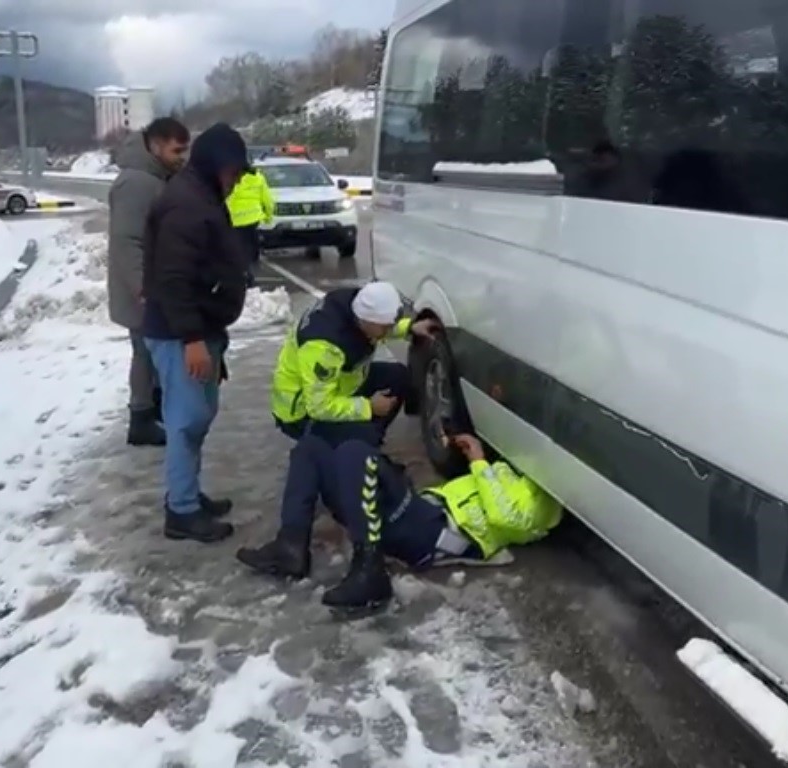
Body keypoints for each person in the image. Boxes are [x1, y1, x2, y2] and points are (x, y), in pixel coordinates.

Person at [237, 431, 563, 614]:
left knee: (355, 450)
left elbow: (505, 516)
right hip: (419, 512)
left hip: (431, 534)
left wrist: (479, 463)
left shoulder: (548, 499)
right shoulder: (518, 470)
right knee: (313, 446)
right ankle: (291, 545)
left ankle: (370, 571)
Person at [142, 123, 252, 543]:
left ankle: (186, 494)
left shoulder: (200, 194)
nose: (238, 180)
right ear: (216, 165)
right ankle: (182, 512)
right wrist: (191, 340)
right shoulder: (187, 204)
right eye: (235, 172)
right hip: (179, 334)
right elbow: (173, 278)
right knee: (186, 422)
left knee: (198, 418)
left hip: (198, 328)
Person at [269, 281, 437, 447]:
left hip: (341, 385)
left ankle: (364, 437)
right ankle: (352, 448)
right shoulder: (325, 347)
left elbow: (379, 326)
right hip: (302, 415)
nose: (388, 331)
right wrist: (368, 408)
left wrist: (409, 328)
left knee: (398, 376)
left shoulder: (355, 306)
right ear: (368, 321)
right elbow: (319, 407)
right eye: (386, 327)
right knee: (366, 437)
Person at [107, 117, 191, 447]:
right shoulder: (137, 183)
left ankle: (151, 408)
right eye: (176, 150)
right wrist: (143, 289)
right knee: (145, 351)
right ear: (155, 146)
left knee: (152, 352)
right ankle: (140, 418)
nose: (182, 157)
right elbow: (127, 241)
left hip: (153, 285)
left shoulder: (156, 177)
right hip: (142, 290)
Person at [226, 164, 275, 287]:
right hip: (252, 219)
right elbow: (268, 200)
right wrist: (268, 217)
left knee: (235, 250)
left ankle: (242, 275)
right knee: (249, 249)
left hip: (233, 220)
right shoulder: (258, 177)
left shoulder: (229, 176)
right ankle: (249, 274)